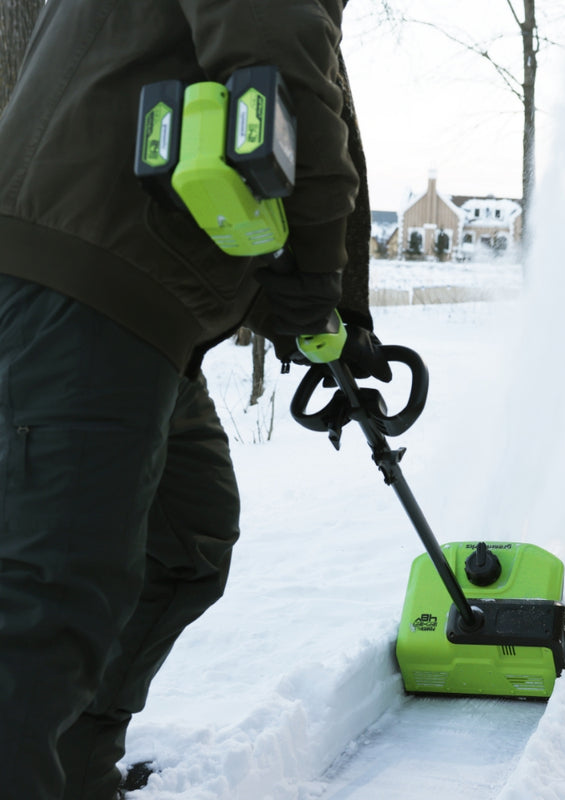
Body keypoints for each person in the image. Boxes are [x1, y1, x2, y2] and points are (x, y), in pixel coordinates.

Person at [0, 1, 389, 798]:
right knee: (45, 607)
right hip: (79, 285)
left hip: (139, 300)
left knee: (191, 535)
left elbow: (259, 116)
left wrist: (328, 317)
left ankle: (70, 768)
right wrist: (313, 301)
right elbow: (288, 92)